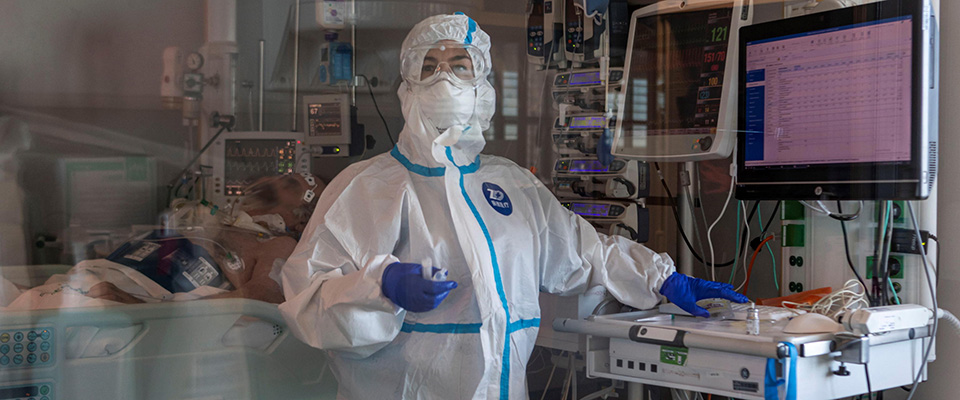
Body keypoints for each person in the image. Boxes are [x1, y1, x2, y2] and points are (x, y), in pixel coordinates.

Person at [278, 14, 748, 399]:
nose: (445, 78)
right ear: (408, 85)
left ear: (482, 83)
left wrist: (663, 278)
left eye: (460, 65)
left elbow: (583, 253)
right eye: (429, 66)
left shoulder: (510, 185)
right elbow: (307, 301)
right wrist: (379, 288)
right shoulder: (364, 188)